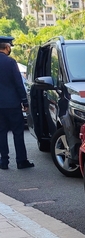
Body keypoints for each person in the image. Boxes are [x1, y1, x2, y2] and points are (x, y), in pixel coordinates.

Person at [0, 35, 33, 170]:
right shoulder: (11, 62)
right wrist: (24, 101)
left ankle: (4, 161)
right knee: (18, 133)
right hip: (12, 104)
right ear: (7, 48)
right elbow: (18, 83)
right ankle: (21, 160)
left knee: (1, 133)